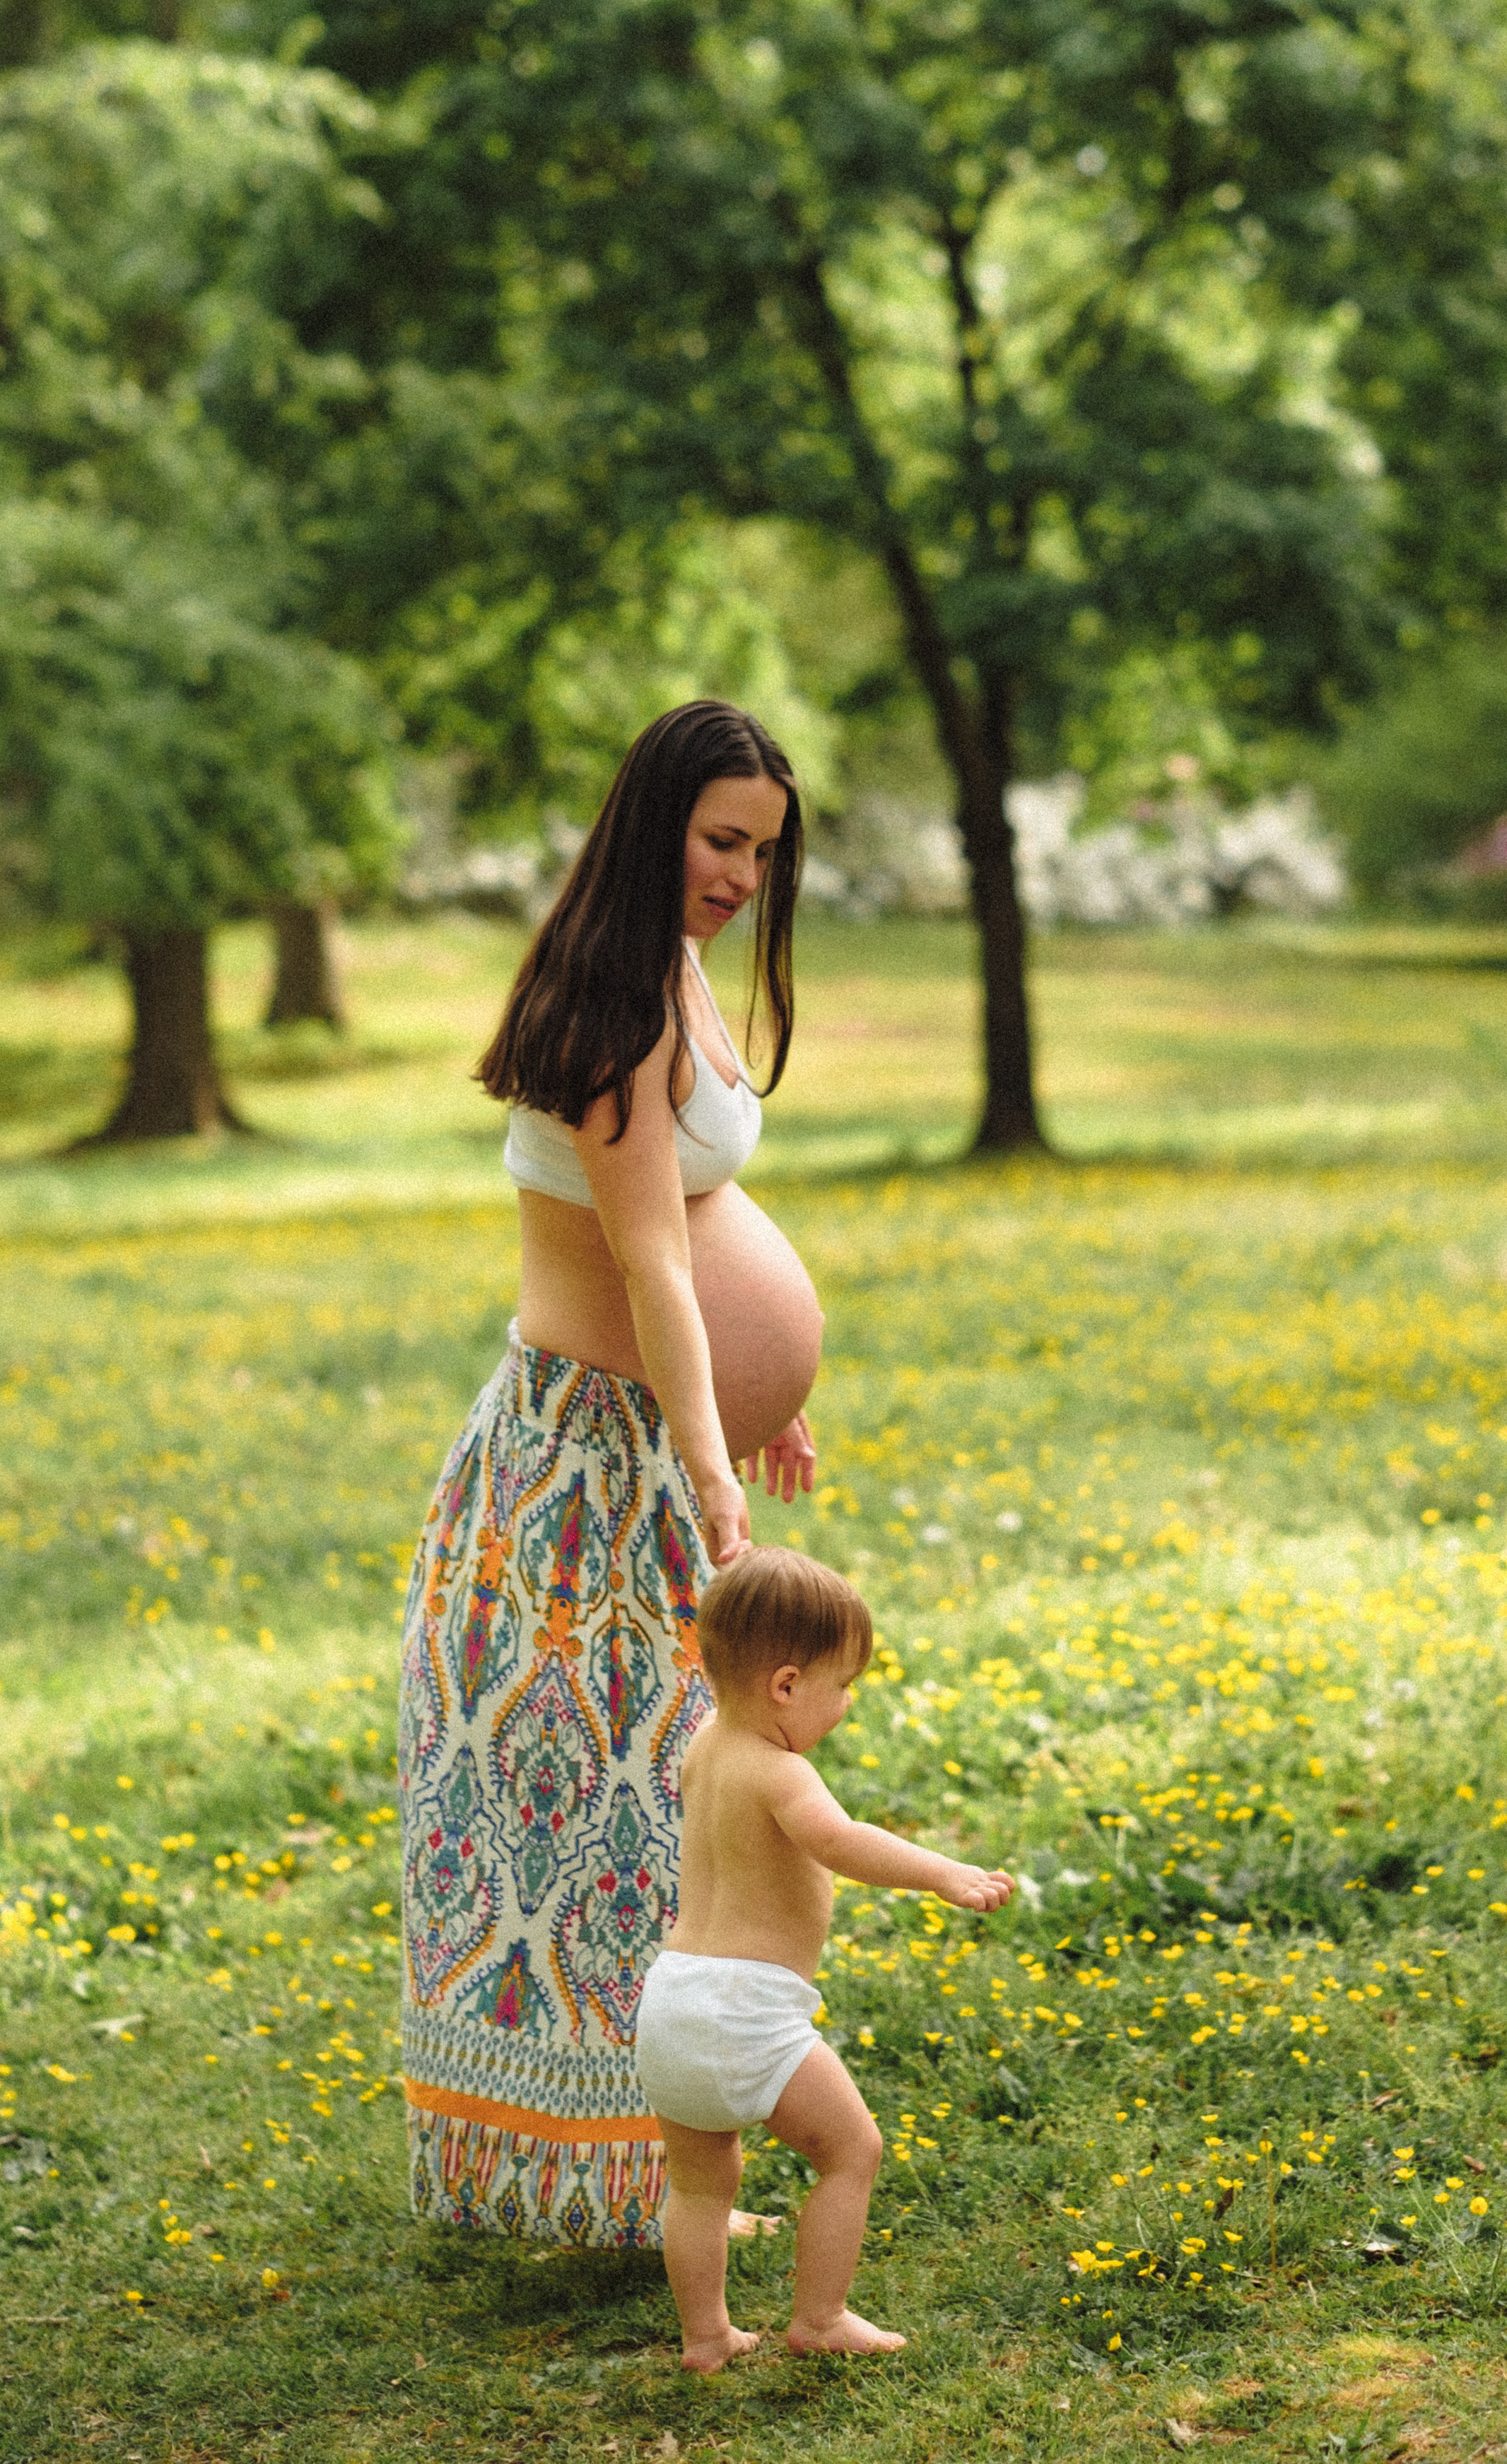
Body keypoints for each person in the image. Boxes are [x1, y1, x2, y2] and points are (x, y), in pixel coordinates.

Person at [398, 702, 825, 2248]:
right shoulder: (609, 1010)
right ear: (656, 824)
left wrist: (769, 1388)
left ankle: (655, 2177)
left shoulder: (682, 974)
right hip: (581, 1471)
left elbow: (701, 1221)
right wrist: (712, 1469)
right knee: (614, 1816)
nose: (741, 875)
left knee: (673, 1817)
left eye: (763, 852)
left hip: (646, 1443)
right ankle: (587, 2181)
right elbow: (647, 1267)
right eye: (722, 840)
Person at [635, 1547, 1015, 2371]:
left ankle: (706, 2337)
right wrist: (944, 1875)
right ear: (784, 1685)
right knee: (852, 2152)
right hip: (743, 2008)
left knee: (700, 2187)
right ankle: (822, 2316)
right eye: (841, 1685)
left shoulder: (704, 1744)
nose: (844, 1704)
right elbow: (842, 1843)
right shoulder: (781, 1774)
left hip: (667, 2003)